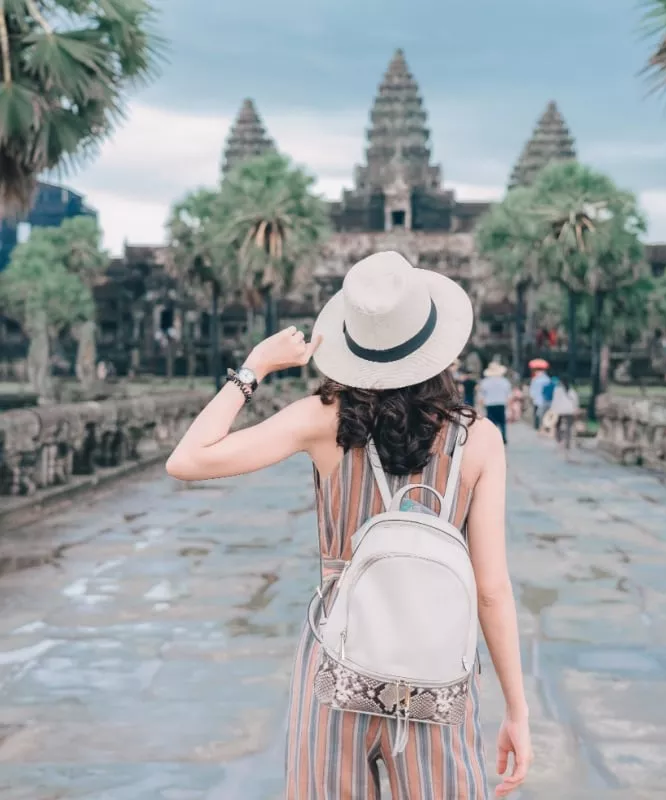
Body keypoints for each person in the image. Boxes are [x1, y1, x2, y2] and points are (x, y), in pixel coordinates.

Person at [166, 251, 531, 799]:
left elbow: (188, 459)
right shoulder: (477, 439)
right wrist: (517, 710)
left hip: (337, 666)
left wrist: (255, 368)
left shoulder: (323, 419)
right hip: (438, 677)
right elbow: (492, 591)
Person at [480, 360, 513, 444]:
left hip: (489, 404)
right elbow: (509, 396)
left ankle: (492, 438)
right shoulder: (505, 381)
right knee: (502, 423)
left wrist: (481, 407)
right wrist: (509, 408)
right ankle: (504, 438)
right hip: (501, 404)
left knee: (491, 423)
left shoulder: (485, 382)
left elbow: (481, 397)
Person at [550, 377, 580, 451]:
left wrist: (552, 410)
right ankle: (567, 443)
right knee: (569, 427)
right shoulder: (572, 391)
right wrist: (576, 409)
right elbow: (575, 401)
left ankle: (559, 439)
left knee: (557, 425)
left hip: (560, 410)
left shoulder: (557, 390)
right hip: (570, 410)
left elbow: (555, 400)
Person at [528, 359, 551, 430]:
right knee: (544, 413)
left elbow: (532, 390)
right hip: (546, 399)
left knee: (536, 413)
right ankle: (544, 426)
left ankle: (537, 426)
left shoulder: (535, 379)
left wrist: (531, 397)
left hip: (536, 399)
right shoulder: (547, 379)